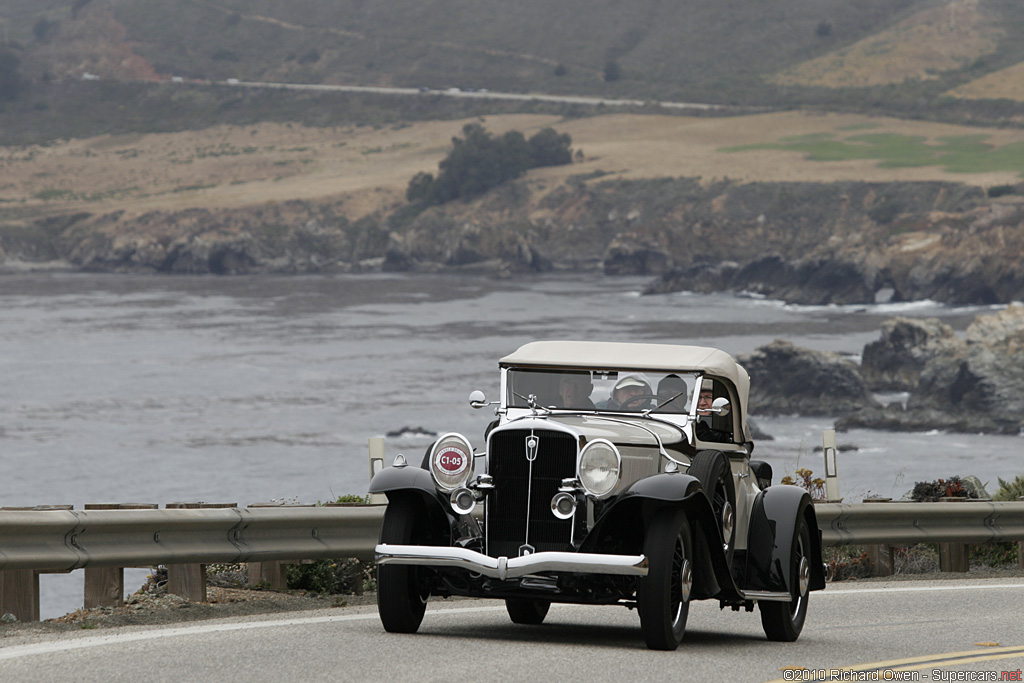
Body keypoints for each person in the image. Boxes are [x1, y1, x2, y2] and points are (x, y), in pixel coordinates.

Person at [695, 378, 732, 443]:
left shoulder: (732, 420)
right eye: (699, 398)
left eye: (708, 397)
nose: (702, 403)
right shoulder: (685, 419)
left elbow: (746, 445)